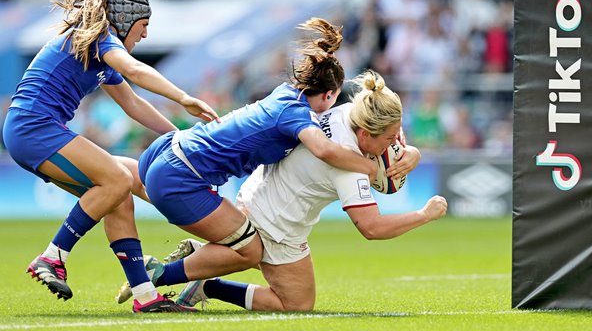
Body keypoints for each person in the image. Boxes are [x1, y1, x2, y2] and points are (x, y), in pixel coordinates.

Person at [115, 20, 413, 304]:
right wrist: (372, 169)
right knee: (253, 255)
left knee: (117, 182)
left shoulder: (289, 97)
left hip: (179, 152)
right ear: (329, 94)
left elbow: (378, 127)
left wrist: (412, 154)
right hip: (190, 173)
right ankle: (164, 274)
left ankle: (198, 261)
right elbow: (326, 152)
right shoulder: (297, 116)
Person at [2, 0, 219, 313]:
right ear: (125, 20)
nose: (145, 34)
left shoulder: (96, 49)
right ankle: (52, 257)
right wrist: (183, 97)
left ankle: (146, 297)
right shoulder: (103, 40)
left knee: (121, 195)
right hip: (35, 128)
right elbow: (134, 69)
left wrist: (179, 136)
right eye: (143, 25)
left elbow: (133, 105)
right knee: (117, 180)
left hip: (32, 130)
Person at [165, 70, 447, 311]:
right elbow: (372, 228)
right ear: (365, 135)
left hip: (261, 191)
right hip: (275, 220)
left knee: (270, 270)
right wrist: (424, 214)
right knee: (296, 303)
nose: (392, 146)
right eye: (388, 140)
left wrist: (413, 151)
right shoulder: (349, 164)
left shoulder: (352, 109)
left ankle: (207, 257)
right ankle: (206, 281)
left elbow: (391, 136)